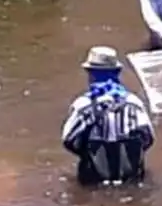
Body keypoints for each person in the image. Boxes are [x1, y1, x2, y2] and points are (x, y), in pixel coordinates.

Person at [61, 46, 156, 185]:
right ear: (117, 73)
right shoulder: (134, 103)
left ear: (91, 74)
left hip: (95, 178)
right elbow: (148, 138)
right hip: (130, 176)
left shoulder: (83, 105)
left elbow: (69, 140)